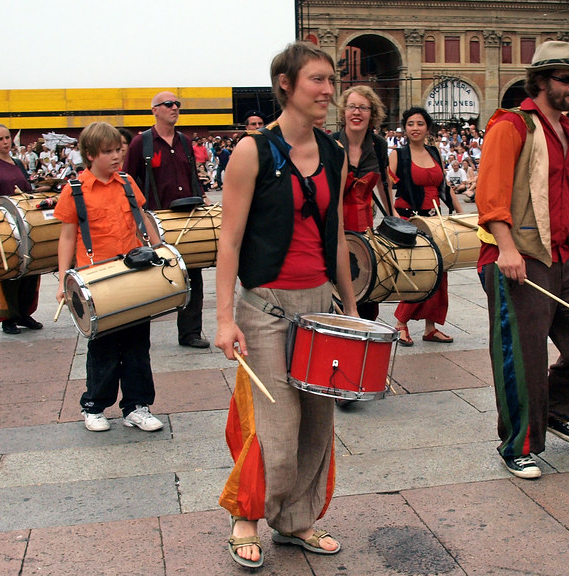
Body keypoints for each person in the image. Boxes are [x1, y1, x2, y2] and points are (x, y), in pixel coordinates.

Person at [215, 41, 356, 569]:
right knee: (274, 427)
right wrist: (225, 318)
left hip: (320, 305)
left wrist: (351, 306)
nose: (328, 90)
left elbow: (337, 232)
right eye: (317, 80)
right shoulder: (253, 151)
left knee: (318, 424)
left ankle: (296, 522)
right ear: (285, 85)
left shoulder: (335, 152)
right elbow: (228, 241)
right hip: (266, 307)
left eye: (330, 81)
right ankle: (246, 516)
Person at [475, 41, 569, 479]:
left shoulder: (564, 128)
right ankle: (517, 442)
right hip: (519, 257)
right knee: (524, 354)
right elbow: (490, 196)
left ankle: (551, 411)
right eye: (565, 78)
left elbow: (556, 194)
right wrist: (507, 248)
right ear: (540, 82)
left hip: (562, 255)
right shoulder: (511, 125)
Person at [53, 122, 165, 434]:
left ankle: (136, 406)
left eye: (119, 149)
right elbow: (66, 238)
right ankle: (94, 406)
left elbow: (144, 219)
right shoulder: (75, 191)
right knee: (102, 347)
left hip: (133, 273)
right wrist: (64, 280)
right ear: (89, 154)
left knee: (137, 343)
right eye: (108, 151)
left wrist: (160, 251)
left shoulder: (127, 183)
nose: (117, 156)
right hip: (96, 280)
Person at [125, 91, 209, 349]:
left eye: (177, 104)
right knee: (154, 275)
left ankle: (190, 333)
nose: (175, 108)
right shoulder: (142, 142)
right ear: (155, 110)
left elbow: (192, 175)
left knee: (193, 273)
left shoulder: (185, 141)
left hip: (187, 216)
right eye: (169, 104)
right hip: (157, 220)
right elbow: (127, 180)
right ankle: (139, 334)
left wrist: (202, 200)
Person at [390, 106, 462, 346]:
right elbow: (383, 187)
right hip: (409, 220)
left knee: (440, 271)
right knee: (419, 272)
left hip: (435, 218)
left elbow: (445, 188)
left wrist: (462, 215)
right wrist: (392, 218)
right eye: (410, 124)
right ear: (405, 127)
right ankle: (401, 323)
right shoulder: (398, 155)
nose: (415, 128)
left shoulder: (434, 152)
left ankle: (430, 327)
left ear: (427, 127)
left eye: (420, 123)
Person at [0, 124, 43, 335]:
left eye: (7, 138)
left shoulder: (18, 163)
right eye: (0, 139)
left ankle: (24, 313)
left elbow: (28, 189)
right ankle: (7, 317)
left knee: (31, 270)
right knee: (8, 271)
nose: (6, 142)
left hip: (24, 222)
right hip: (3, 224)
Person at [333, 85, 393, 321]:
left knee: (367, 293)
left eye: (363, 108)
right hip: (335, 229)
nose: (356, 112)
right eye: (352, 107)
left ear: (372, 113)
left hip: (365, 231)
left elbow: (384, 184)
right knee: (336, 296)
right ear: (343, 112)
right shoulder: (331, 143)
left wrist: (394, 219)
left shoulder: (379, 145)